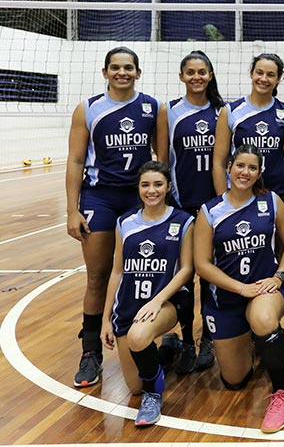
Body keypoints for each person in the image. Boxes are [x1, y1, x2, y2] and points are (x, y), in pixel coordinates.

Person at [66, 46, 160, 388]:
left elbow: (160, 157)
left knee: (147, 271)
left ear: (137, 72)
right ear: (105, 72)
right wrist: (72, 209)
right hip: (100, 197)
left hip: (140, 199)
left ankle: (151, 341)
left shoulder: (152, 107)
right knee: (98, 275)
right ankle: (90, 352)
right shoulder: (88, 109)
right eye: (116, 68)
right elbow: (76, 161)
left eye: (129, 68)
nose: (123, 73)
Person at [194, 144, 284, 433]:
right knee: (235, 379)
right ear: (229, 167)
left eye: (252, 168)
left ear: (259, 173)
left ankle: (281, 393)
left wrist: (279, 276)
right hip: (227, 298)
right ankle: (256, 344)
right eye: (240, 166)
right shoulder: (210, 211)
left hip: (266, 289)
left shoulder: (271, 201)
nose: (245, 172)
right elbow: (202, 264)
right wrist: (241, 289)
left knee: (263, 318)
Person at [99, 161, 194, 427]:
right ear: (138, 188)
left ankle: (154, 397)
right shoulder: (125, 222)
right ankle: (168, 348)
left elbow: (187, 269)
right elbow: (117, 271)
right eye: (145, 185)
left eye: (157, 184)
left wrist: (157, 300)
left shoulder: (183, 220)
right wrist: (106, 319)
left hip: (164, 302)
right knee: (134, 385)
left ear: (168, 187)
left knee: (139, 337)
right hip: (129, 305)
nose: (151, 190)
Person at [156, 50, 223, 374]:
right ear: (182, 76)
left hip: (213, 206)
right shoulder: (168, 111)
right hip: (181, 205)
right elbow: (162, 160)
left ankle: (209, 336)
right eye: (191, 72)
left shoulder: (222, 111)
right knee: (182, 277)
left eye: (202, 72)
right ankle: (185, 339)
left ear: (210, 76)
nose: (197, 77)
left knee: (210, 276)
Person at [212, 53, 284, 208]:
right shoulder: (230, 111)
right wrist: (224, 203)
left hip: (277, 195)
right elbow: (219, 163)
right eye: (259, 72)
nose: (264, 79)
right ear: (251, 73)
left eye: (270, 75)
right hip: (240, 196)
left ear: (278, 79)